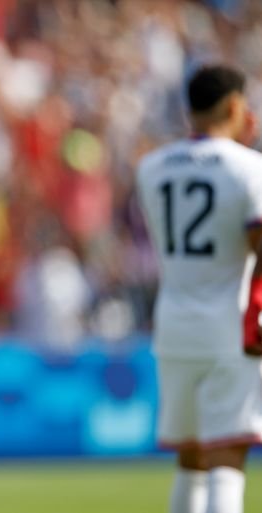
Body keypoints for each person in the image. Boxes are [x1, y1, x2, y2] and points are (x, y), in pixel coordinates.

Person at [136, 64, 262, 513]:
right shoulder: (250, 168)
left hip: (173, 323)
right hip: (232, 323)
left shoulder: (152, 167)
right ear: (234, 105)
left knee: (190, 458)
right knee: (227, 454)